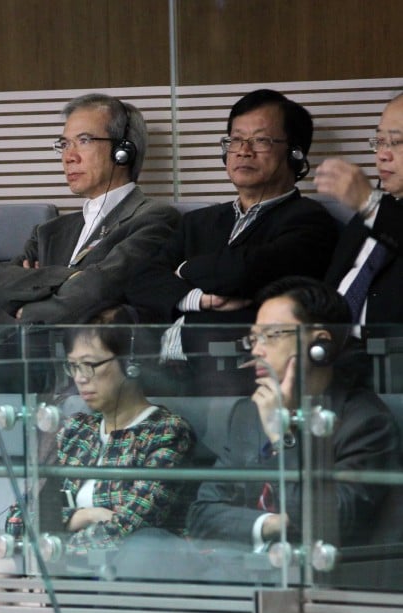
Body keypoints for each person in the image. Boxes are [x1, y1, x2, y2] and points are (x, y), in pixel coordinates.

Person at [0, 93, 180, 435]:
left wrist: (31, 304)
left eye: (84, 141)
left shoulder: (154, 218)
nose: (68, 156)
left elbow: (96, 290)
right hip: (14, 360)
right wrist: (69, 278)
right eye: (63, 144)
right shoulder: (51, 230)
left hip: (78, 370)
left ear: (124, 150)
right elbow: (1, 280)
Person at [0, 306, 195, 575]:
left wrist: (51, 536)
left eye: (90, 365)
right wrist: (82, 517)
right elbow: (19, 517)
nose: (79, 378)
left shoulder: (165, 432)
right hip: (59, 560)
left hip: (113, 568)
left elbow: (128, 529)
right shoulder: (77, 430)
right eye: (73, 366)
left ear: (131, 363)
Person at [126, 89, 339, 394]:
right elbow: (139, 281)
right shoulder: (198, 222)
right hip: (158, 373)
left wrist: (184, 270)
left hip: (234, 373)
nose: (243, 150)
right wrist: (198, 299)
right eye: (236, 140)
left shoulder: (309, 219)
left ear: (295, 152)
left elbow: (243, 271)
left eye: (260, 140)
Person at [187, 277, 400, 551]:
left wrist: (280, 437)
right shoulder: (249, 414)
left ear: (320, 345)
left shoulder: (365, 423)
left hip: (325, 581)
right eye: (254, 338)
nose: (256, 350)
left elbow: (329, 521)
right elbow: (202, 515)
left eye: (271, 335)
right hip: (246, 573)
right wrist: (274, 524)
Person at [316, 92, 403, 328]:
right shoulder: (367, 215)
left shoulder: (374, 208)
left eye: (397, 142)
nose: (382, 155)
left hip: (386, 356)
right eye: (380, 142)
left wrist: (369, 203)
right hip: (334, 351)